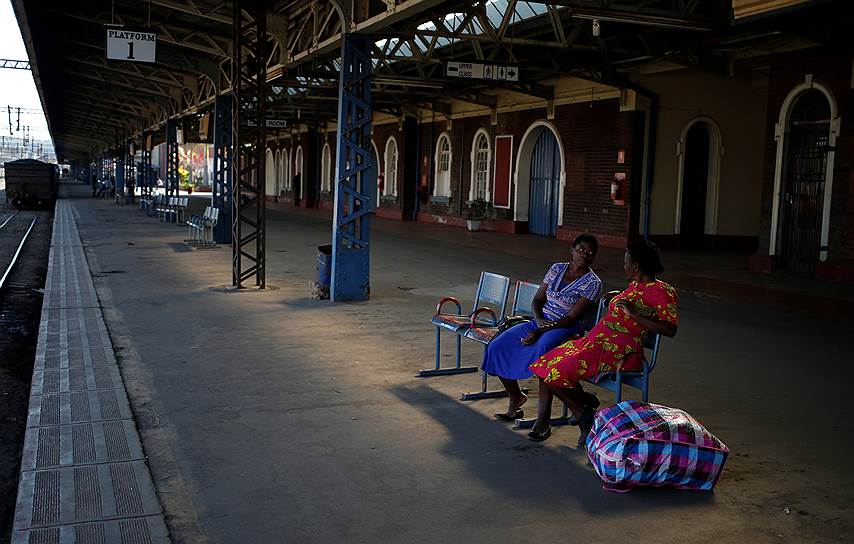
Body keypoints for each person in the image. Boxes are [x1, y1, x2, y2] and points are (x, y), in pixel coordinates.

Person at [527, 239, 679, 446]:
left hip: (618, 352)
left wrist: (634, 314)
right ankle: (583, 410)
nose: (623, 266)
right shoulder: (634, 286)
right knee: (543, 365)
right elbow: (635, 300)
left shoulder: (664, 292)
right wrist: (617, 297)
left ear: (636, 266)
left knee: (554, 374)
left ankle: (583, 415)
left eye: (626, 263)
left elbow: (670, 329)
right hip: (595, 342)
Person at [484, 234, 602, 421]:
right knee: (497, 346)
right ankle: (516, 396)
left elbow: (572, 318)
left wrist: (540, 330)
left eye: (590, 253)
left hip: (565, 329)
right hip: (539, 321)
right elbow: (538, 299)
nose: (584, 255)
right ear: (572, 250)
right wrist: (538, 321)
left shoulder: (593, 283)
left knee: (543, 353)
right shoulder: (557, 268)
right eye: (580, 250)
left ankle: (543, 420)